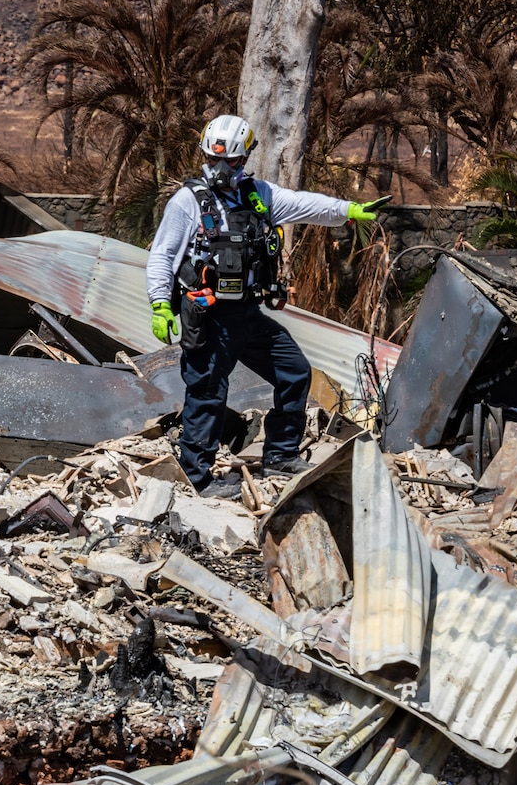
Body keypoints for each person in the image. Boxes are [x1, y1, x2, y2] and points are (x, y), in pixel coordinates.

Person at [148, 114, 384, 499]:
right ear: (205, 155)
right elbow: (162, 256)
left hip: (249, 315)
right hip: (210, 317)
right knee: (207, 391)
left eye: (231, 161)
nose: (221, 168)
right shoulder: (188, 202)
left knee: (294, 373)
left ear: (245, 159)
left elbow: (306, 205)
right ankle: (199, 477)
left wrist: (350, 211)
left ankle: (281, 454)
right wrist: (160, 303)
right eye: (213, 160)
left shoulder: (259, 196)